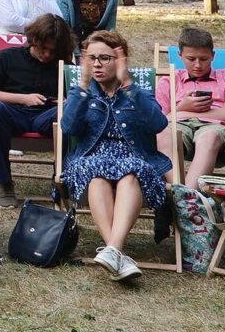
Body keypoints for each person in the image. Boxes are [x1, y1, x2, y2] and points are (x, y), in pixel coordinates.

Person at [62, 30, 170, 282]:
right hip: (92, 157)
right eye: (91, 58)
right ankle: (116, 251)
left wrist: (129, 85)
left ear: (120, 61)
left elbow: (158, 124)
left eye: (105, 58)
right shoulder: (83, 92)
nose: (97, 64)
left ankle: (112, 250)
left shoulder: (137, 92)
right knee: (96, 174)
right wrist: (82, 86)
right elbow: (68, 128)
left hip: (133, 157)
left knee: (131, 173)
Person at [0, 13, 75, 205]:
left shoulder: (62, 64)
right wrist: (23, 99)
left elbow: (75, 98)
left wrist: (64, 101)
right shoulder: (7, 57)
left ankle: (61, 179)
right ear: (33, 40)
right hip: (12, 114)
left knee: (70, 111)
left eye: (53, 51)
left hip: (46, 116)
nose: (47, 55)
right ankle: (3, 182)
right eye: (43, 48)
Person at [153, 27, 225, 183]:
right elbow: (158, 121)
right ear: (180, 55)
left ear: (212, 56)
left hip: (217, 129)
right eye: (191, 59)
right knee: (162, 134)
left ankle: (188, 195)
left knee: (208, 136)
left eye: (203, 59)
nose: (198, 65)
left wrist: (186, 112)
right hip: (180, 128)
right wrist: (181, 108)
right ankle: (180, 191)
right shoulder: (169, 80)